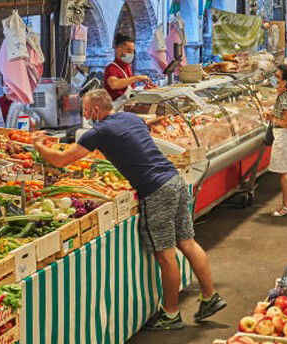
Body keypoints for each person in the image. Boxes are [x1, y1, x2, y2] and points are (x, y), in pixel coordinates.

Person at [31, 89, 227, 330]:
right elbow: (134, 142)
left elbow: (60, 160)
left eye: (84, 109)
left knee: (165, 254)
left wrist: (39, 145)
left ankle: (171, 314)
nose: (83, 113)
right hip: (174, 180)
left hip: (156, 190)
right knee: (187, 242)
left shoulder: (100, 131)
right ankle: (210, 297)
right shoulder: (131, 118)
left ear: (95, 110)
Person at [263, 65, 287, 217]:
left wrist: (271, 118)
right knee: (286, 170)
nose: (274, 79)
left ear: (284, 82)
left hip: (285, 136)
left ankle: (286, 205)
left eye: (277, 77)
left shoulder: (285, 98)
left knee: (284, 172)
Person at [103, 33, 150, 109]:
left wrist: (144, 89)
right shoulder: (111, 68)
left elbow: (131, 90)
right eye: (129, 50)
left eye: (132, 51)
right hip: (116, 111)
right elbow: (114, 84)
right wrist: (136, 78)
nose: (131, 54)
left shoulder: (127, 66)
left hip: (126, 109)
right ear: (118, 50)